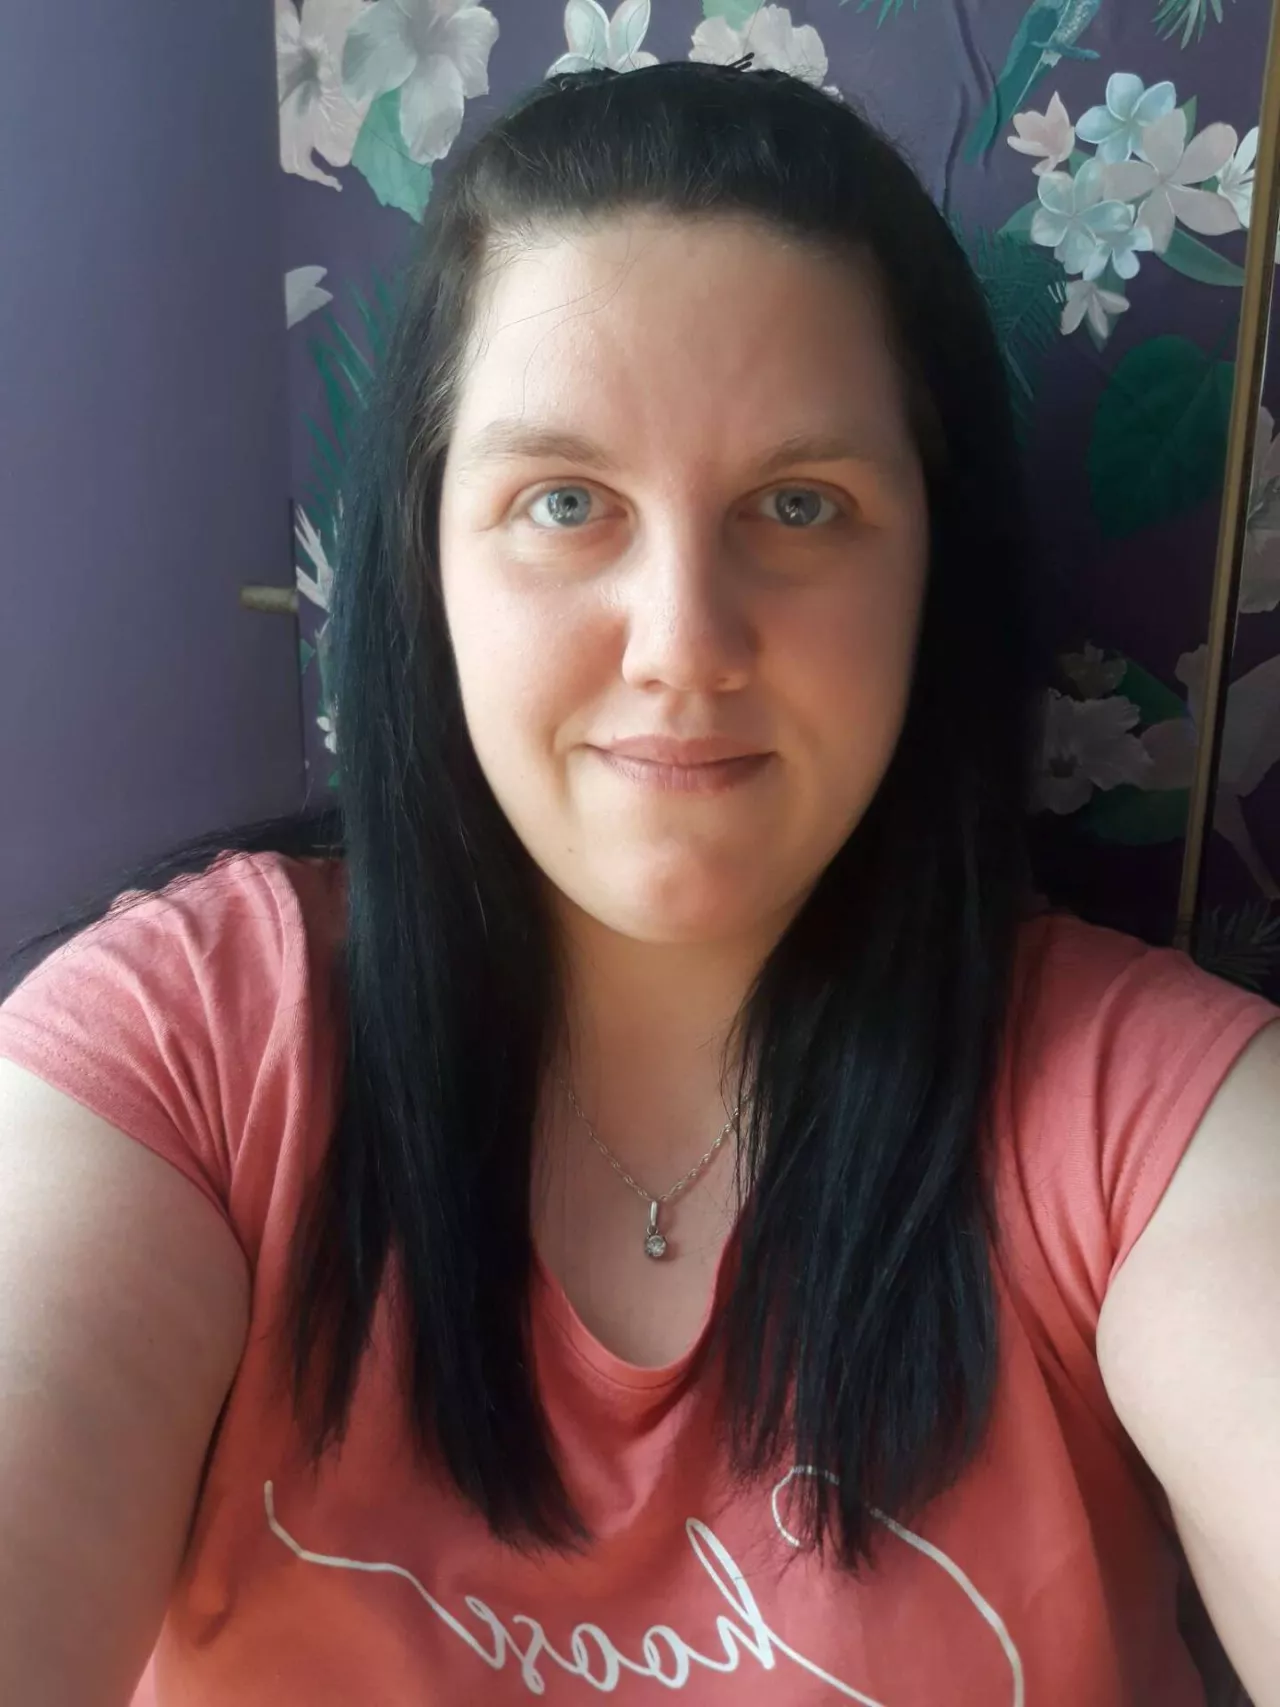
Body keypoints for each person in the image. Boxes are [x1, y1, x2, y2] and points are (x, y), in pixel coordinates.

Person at [0, 59, 1276, 1707]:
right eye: (564, 503)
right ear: (427, 559)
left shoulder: (1150, 1126)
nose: (683, 642)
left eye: (801, 505)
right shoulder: (183, 1049)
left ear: (928, 569)